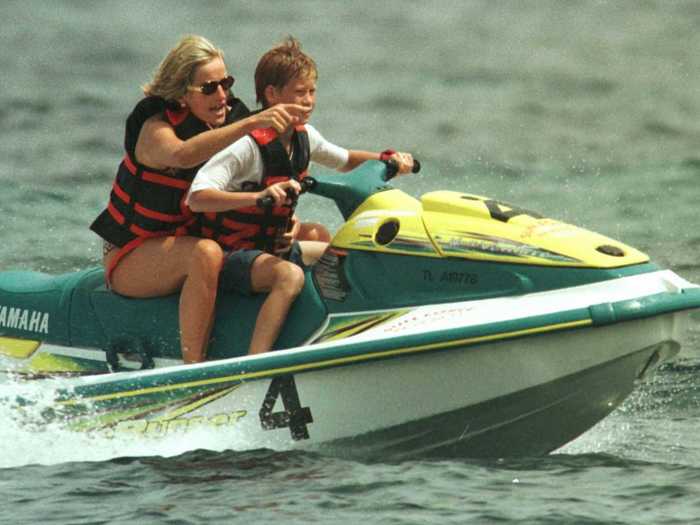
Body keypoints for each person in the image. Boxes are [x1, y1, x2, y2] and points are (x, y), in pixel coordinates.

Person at [187, 37, 415, 355]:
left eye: (312, 91)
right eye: (299, 92)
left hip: (272, 250)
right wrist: (258, 197)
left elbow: (346, 159)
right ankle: (257, 364)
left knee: (343, 257)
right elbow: (196, 197)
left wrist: (388, 159)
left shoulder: (305, 136)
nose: (308, 101)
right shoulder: (247, 147)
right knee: (290, 277)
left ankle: (352, 335)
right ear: (272, 94)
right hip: (232, 259)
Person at [89, 35, 307, 364]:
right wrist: (251, 123)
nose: (222, 96)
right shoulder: (155, 130)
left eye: (226, 83)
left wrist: (290, 222)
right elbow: (183, 154)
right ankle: (194, 369)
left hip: (188, 241)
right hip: (132, 254)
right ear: (180, 91)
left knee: (313, 233)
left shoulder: (230, 123)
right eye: (208, 88)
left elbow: (268, 181)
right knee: (204, 253)